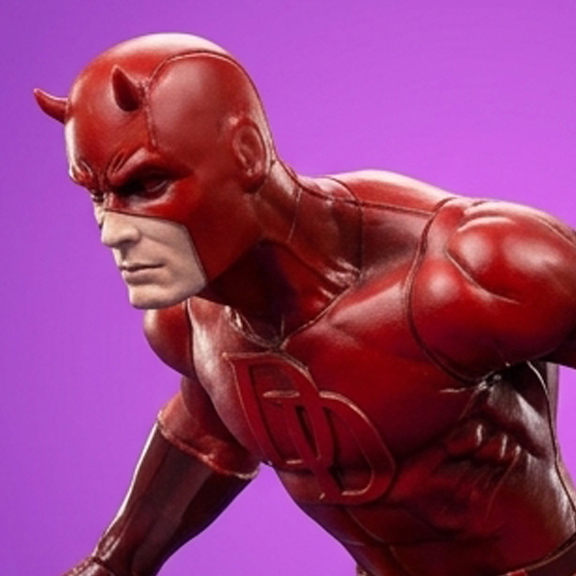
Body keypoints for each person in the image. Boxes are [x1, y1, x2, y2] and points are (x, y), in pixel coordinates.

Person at [35, 33, 576, 576]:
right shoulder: (190, 324)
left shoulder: (472, 266)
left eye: (146, 184)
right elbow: (207, 436)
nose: (113, 231)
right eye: (97, 195)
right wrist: (110, 564)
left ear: (247, 153)